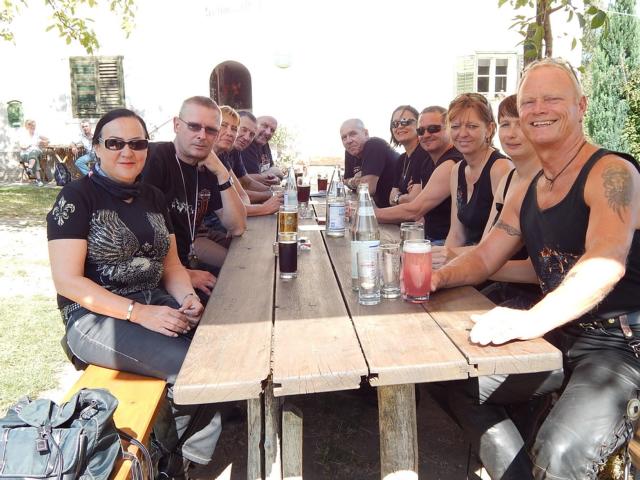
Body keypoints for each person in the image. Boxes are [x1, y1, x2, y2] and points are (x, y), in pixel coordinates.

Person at [430, 58, 640, 480]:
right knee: (452, 380)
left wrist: (529, 321)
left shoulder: (612, 173)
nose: (539, 109)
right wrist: (434, 278)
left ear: (581, 106)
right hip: (559, 333)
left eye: (553, 99)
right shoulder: (529, 186)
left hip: (619, 343)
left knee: (560, 453)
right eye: (529, 101)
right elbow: (485, 257)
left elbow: (605, 264)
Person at [46, 108, 221, 477]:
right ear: (96, 148)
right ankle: (167, 459)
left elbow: (172, 266)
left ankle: (172, 454)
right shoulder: (76, 197)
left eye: (137, 143)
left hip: (154, 302)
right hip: (94, 319)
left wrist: (187, 298)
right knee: (195, 370)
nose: (127, 151)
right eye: (115, 143)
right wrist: (138, 313)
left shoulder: (153, 196)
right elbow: (67, 282)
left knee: (222, 353)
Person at [143, 96, 246, 299]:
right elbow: (137, 239)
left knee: (243, 282)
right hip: (154, 277)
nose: (202, 135)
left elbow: (237, 226)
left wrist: (222, 173)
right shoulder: (153, 158)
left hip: (185, 265)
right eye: (194, 126)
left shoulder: (209, 169)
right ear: (177, 125)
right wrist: (185, 274)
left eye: (211, 130)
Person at [374, 106, 463, 244]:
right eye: (421, 131)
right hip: (429, 238)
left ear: (450, 128)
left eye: (433, 129)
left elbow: (414, 209)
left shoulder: (452, 163)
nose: (426, 135)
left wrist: (367, 214)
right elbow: (418, 211)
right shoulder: (427, 161)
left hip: (448, 242)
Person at [444, 93, 512, 247]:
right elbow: (456, 234)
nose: (462, 134)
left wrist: (446, 255)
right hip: (469, 254)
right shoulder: (457, 170)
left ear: (489, 129)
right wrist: (442, 257)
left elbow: (495, 245)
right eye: (455, 126)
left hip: (497, 258)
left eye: (472, 126)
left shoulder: (500, 168)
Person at [340, 118, 399, 208]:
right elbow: (345, 180)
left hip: (401, 209)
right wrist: (354, 181)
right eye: (344, 137)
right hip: (384, 208)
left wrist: (355, 182)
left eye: (353, 134)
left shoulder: (374, 145)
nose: (348, 141)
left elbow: (368, 189)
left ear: (366, 133)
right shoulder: (350, 151)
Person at [387, 105, 429, 206]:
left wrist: (398, 197)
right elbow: (391, 199)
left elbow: (414, 201)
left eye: (405, 121)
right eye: (395, 124)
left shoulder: (423, 153)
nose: (400, 126)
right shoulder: (401, 159)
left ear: (419, 125)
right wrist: (403, 197)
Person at [242, 115, 283, 184]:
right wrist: (274, 174)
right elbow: (249, 181)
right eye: (265, 126)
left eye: (272, 130)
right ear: (254, 126)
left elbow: (274, 170)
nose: (268, 132)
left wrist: (277, 178)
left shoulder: (265, 144)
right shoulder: (246, 145)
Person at [18, 119, 49, 186]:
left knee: (34, 152)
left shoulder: (37, 134)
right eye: (31, 126)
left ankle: (30, 169)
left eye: (34, 126)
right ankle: (38, 180)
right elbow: (21, 147)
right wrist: (27, 146)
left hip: (37, 152)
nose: (33, 128)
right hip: (25, 154)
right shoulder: (23, 135)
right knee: (35, 159)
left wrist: (42, 142)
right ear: (27, 127)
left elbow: (47, 139)